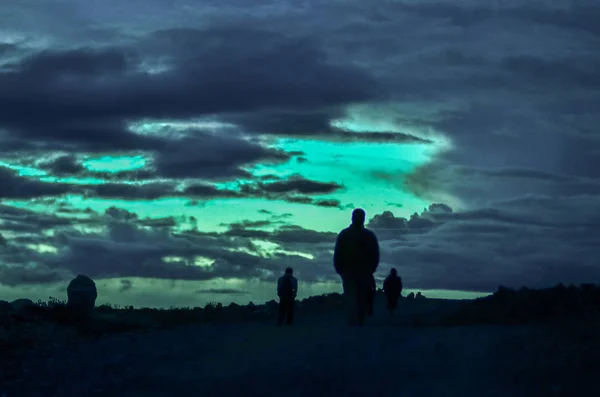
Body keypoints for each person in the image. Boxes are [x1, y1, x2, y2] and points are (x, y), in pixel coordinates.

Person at [333, 208, 380, 326]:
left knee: (352, 296)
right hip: (361, 271)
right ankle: (359, 320)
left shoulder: (344, 234)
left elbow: (338, 253)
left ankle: (353, 320)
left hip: (350, 271)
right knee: (360, 296)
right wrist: (371, 269)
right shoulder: (369, 235)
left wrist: (339, 268)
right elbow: (375, 254)